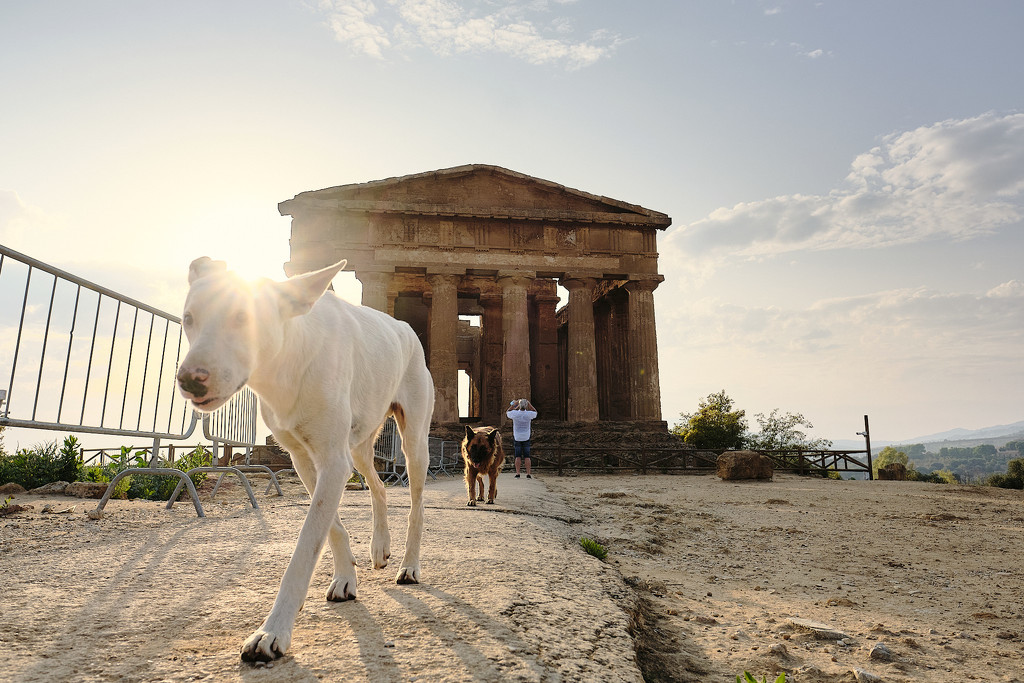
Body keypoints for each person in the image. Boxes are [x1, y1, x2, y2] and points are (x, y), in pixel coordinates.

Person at [506, 398, 537, 479]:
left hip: (517, 437)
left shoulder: (515, 414)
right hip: (526, 437)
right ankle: (528, 473)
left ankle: (518, 473)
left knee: (518, 456)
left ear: (519, 405)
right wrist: (529, 404)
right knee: (527, 456)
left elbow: (508, 412)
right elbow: (535, 412)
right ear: (526, 406)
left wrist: (514, 405)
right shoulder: (529, 414)